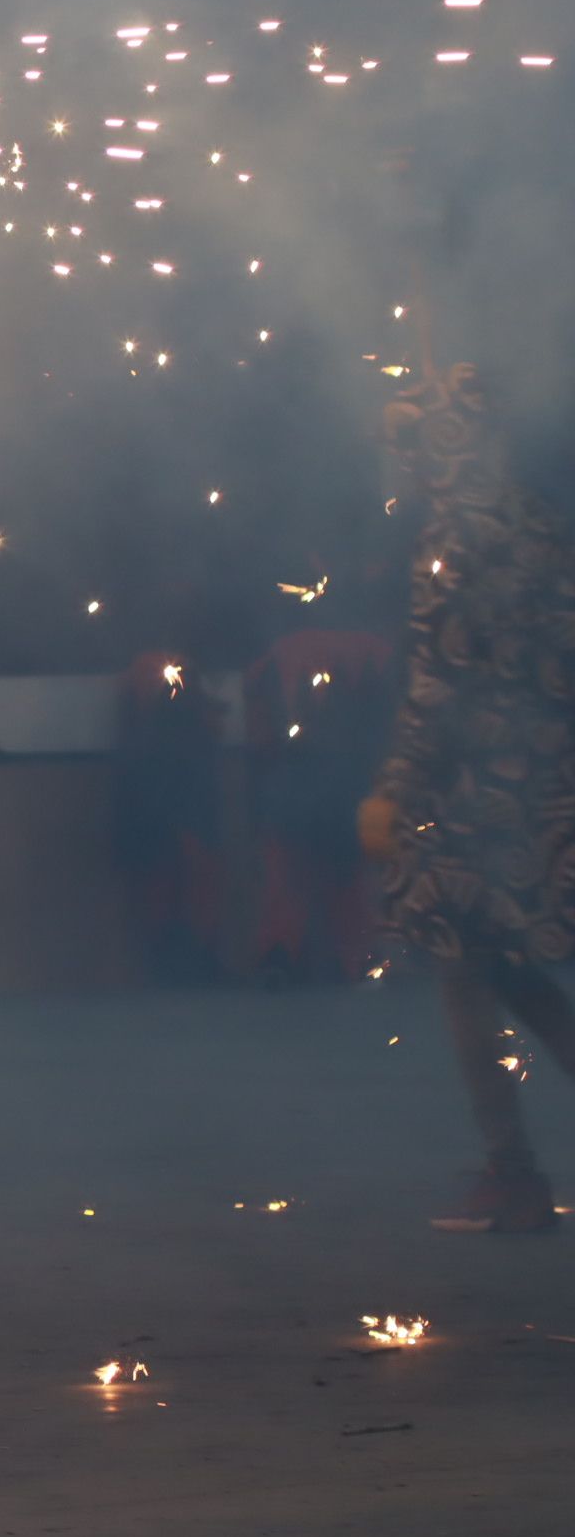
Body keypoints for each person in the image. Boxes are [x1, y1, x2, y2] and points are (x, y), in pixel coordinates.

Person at [364, 367, 575, 1233]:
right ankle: (511, 1168)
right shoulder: (537, 525)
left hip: (478, 802)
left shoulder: (452, 540)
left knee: (466, 968)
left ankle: (512, 1173)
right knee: (513, 969)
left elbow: (440, 683)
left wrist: (394, 789)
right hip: (547, 787)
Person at [246, 621, 397, 987]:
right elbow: (388, 727)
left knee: (286, 883)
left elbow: (262, 737)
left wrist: (260, 796)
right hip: (349, 789)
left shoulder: (273, 658)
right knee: (349, 884)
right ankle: (360, 965)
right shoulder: (374, 651)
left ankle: (279, 959)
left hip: (289, 790)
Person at [111, 650, 225, 987]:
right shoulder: (163, 678)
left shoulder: (146, 680)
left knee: (173, 880)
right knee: (180, 879)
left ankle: (174, 963)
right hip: (173, 796)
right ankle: (182, 963)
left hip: (161, 795)